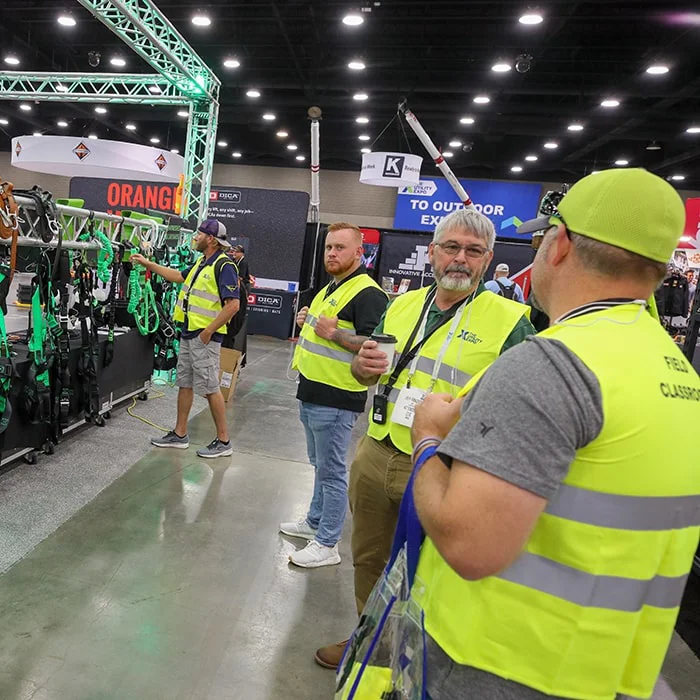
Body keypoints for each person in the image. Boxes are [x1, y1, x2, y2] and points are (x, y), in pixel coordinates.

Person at [406, 168, 700, 700]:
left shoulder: (551, 363)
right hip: (612, 667)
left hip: (499, 661)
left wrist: (427, 439)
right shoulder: (674, 370)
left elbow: (469, 545)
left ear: (559, 244)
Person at [314, 208, 535, 669]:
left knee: (433, 570)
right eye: (451, 247)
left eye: (473, 251)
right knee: (370, 559)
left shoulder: (512, 321)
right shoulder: (402, 304)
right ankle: (371, 642)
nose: (460, 258)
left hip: (447, 466)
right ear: (432, 253)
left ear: (489, 259)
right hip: (378, 453)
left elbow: (521, 411)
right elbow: (366, 369)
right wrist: (361, 367)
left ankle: (417, 662)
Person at [279, 222, 388, 568]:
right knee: (319, 465)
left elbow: (376, 344)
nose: (332, 253)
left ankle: (327, 542)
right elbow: (328, 329)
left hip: (337, 398)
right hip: (313, 390)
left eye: (340, 248)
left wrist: (332, 333)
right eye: (328, 248)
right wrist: (308, 321)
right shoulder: (333, 288)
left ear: (360, 252)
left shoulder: (368, 294)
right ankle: (313, 520)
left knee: (332, 471)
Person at [131, 218, 240, 458]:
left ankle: (224, 441)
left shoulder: (224, 265)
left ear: (210, 239)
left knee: (211, 388)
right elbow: (177, 276)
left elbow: (232, 306)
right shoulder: (203, 262)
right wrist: (148, 263)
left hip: (205, 338)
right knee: (186, 383)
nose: (195, 238)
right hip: (190, 333)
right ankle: (180, 434)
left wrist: (209, 331)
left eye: (199, 234)